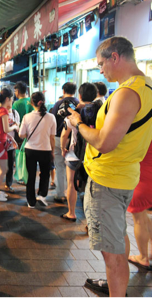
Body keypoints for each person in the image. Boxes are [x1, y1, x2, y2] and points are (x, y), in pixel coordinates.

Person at [68, 37, 152, 298]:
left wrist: (79, 125)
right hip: (125, 175)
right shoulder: (146, 85)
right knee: (118, 241)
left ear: (115, 57)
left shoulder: (128, 92)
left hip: (107, 180)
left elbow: (105, 142)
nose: (100, 70)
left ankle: (117, 291)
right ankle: (117, 287)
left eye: (101, 63)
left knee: (112, 255)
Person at [60, 83, 98, 222]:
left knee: (71, 184)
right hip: (92, 156)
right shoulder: (99, 112)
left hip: (74, 155)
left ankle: (71, 213)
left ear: (80, 96)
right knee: (90, 187)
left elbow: (65, 135)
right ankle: (90, 222)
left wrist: (63, 148)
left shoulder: (74, 113)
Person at [19, 92, 56, 208]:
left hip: (30, 150)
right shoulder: (51, 117)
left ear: (31, 103)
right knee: (45, 174)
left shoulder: (27, 117)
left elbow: (21, 135)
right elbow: (52, 137)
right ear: (43, 101)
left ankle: (31, 201)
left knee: (30, 175)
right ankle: (42, 194)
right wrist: (52, 151)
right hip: (46, 149)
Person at [50, 83, 79, 204]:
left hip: (58, 138)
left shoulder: (57, 104)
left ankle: (60, 194)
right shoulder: (78, 103)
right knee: (72, 168)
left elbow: (52, 121)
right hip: (74, 140)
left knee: (60, 166)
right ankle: (72, 194)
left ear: (63, 90)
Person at [127, 143, 152, 270]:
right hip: (149, 174)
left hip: (142, 177)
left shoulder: (145, 125)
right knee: (145, 218)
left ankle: (143, 257)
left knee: (139, 218)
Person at [6, 100, 21, 193]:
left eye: (10, 100)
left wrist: (16, 126)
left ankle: (8, 184)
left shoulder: (15, 113)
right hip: (0, 143)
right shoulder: (1, 113)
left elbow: (18, 127)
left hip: (11, 144)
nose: (10, 102)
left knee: (10, 165)